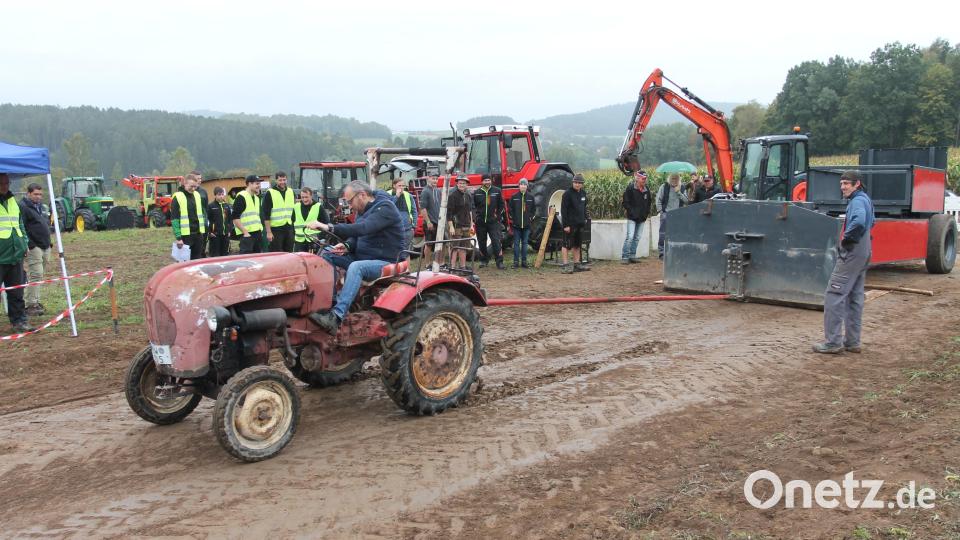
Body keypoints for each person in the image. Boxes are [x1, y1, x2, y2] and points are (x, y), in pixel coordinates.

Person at [305, 181, 405, 333]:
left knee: (356, 267)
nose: (350, 206)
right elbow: (357, 236)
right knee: (327, 254)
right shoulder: (362, 211)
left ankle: (336, 316)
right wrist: (347, 246)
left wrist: (328, 226)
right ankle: (329, 303)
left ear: (362, 195)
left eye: (350, 201)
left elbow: (364, 228)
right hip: (362, 256)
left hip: (386, 260)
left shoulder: (385, 208)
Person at [813, 170, 875, 354]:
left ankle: (833, 342)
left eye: (846, 184)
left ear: (857, 184)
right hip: (864, 251)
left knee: (834, 294)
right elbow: (871, 223)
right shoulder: (865, 199)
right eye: (841, 184)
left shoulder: (857, 202)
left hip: (853, 252)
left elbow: (859, 222)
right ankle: (852, 342)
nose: (843, 187)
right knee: (855, 297)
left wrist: (847, 241)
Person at [0, 173, 33, 333]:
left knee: (16, 292)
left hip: (16, 254)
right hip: (1, 255)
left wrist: (24, 242)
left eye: (7, 183)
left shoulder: (13, 200)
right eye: (2, 183)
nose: (5, 186)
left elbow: (19, 223)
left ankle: (19, 321)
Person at [19, 183, 51, 316]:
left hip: (45, 245)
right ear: (28, 194)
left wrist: (49, 243)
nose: (38, 197)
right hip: (34, 246)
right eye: (35, 194)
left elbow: (45, 224)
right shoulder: (23, 207)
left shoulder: (42, 207)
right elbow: (22, 227)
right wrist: (30, 244)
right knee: (36, 274)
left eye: (40, 194)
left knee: (40, 274)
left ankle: (35, 301)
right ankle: (30, 304)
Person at [171, 172, 208, 260]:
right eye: (191, 186)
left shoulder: (197, 195)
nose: (193, 189)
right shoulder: (177, 197)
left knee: (196, 261)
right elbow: (174, 219)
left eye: (195, 186)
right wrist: (178, 237)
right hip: (185, 236)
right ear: (185, 183)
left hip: (198, 234)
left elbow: (202, 214)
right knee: (183, 262)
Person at [472, 176, 505, 269]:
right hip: (480, 222)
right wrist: (475, 217)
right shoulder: (477, 192)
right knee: (482, 242)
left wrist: (497, 216)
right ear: (482, 181)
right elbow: (473, 206)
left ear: (491, 181)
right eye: (485, 180)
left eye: (488, 180)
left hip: (493, 222)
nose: (487, 182)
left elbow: (501, 205)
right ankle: (483, 260)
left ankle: (499, 262)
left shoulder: (497, 191)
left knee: (496, 241)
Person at [560, 173, 590, 274]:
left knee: (577, 245)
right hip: (570, 225)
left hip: (580, 224)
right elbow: (563, 211)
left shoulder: (583, 194)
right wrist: (566, 225)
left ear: (582, 184)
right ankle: (565, 266)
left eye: (579, 183)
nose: (577, 184)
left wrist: (585, 218)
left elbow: (584, 207)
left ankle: (577, 265)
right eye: (575, 182)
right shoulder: (567, 194)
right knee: (566, 245)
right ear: (573, 182)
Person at [621, 170, 652, 264]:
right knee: (630, 237)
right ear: (637, 178)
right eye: (643, 179)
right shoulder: (630, 188)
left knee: (637, 237)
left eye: (645, 179)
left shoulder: (647, 189)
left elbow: (649, 203)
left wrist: (645, 214)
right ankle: (625, 257)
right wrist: (632, 212)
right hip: (632, 217)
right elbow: (625, 202)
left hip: (642, 218)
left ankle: (632, 256)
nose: (644, 180)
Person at [655, 173, 688, 259]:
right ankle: (662, 253)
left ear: (679, 179)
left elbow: (686, 201)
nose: (674, 180)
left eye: (676, 179)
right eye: (672, 179)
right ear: (669, 179)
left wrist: (678, 192)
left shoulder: (682, 187)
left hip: (678, 214)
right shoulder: (664, 187)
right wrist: (661, 211)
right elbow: (658, 199)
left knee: (677, 234)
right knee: (663, 234)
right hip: (666, 213)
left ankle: (675, 251)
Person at [262, 171, 296, 253]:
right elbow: (266, 214)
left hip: (289, 228)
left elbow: (292, 210)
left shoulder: (291, 192)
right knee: (277, 254)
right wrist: (269, 232)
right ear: (276, 180)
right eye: (280, 180)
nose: (282, 182)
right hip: (276, 229)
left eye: (284, 180)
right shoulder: (270, 193)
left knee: (289, 253)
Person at [446, 176, 474, 270]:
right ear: (457, 184)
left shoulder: (468, 195)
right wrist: (451, 226)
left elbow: (470, 210)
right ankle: (452, 267)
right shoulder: (452, 195)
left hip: (466, 225)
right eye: (460, 183)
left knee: (464, 247)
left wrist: (471, 224)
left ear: (467, 185)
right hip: (456, 226)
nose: (462, 185)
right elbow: (449, 213)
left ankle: (462, 267)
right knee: (454, 247)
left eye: (464, 183)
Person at [233, 175, 264, 254]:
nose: (259, 186)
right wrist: (245, 233)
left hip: (257, 233)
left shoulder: (257, 198)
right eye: (257, 184)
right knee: (246, 261)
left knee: (257, 260)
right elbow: (235, 218)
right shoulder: (241, 196)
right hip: (247, 235)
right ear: (249, 184)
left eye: (259, 184)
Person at [508, 178, 535, 268]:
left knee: (525, 244)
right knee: (516, 244)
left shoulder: (531, 197)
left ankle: (524, 262)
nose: (523, 186)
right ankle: (516, 262)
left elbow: (534, 210)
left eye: (525, 184)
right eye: (521, 184)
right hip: (517, 225)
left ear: (527, 186)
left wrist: (530, 217)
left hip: (527, 226)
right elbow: (510, 209)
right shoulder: (514, 197)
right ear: (519, 186)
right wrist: (514, 218)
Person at [293, 187, 329, 253]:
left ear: (311, 196)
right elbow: (291, 224)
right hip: (299, 242)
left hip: (314, 242)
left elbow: (327, 224)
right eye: (302, 197)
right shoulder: (296, 207)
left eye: (306, 197)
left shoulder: (318, 207)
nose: (304, 199)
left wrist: (320, 238)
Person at [419, 174, 442, 264]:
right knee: (429, 244)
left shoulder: (438, 191)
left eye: (436, 179)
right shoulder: (425, 191)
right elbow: (423, 208)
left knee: (441, 243)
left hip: (439, 221)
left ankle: (440, 263)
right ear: (428, 179)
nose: (435, 180)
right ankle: (427, 264)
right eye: (433, 179)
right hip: (430, 222)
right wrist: (428, 221)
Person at [392, 178, 418, 252]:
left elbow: (414, 211)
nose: (401, 187)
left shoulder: (408, 195)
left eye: (403, 186)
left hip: (407, 229)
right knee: (395, 251)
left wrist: (414, 226)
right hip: (393, 229)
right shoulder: (388, 194)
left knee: (406, 252)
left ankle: (406, 264)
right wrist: (396, 196)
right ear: (394, 186)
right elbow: (387, 207)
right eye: (399, 185)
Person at [206, 186, 232, 257]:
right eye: (219, 195)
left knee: (225, 255)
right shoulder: (210, 206)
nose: (221, 196)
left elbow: (230, 219)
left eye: (222, 194)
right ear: (215, 195)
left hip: (225, 235)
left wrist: (229, 230)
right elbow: (207, 220)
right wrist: (209, 232)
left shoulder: (226, 206)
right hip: (215, 235)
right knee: (215, 255)